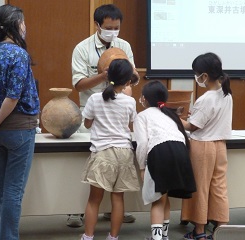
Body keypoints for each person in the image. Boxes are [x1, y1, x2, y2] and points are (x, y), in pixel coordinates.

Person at [70, 3, 138, 227]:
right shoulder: (82, 48)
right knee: (86, 164)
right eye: (108, 27)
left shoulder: (124, 46)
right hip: (90, 111)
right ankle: (74, 211)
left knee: (114, 168)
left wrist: (127, 80)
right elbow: (79, 85)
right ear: (97, 25)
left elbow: (134, 77)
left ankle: (111, 212)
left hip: (117, 111)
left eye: (117, 27)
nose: (113, 31)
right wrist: (105, 76)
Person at [0, 4, 40, 240]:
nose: (25, 27)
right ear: (15, 25)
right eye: (22, 22)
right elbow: (13, 97)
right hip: (20, 130)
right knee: (13, 191)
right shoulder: (19, 55)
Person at [80, 58, 140, 240]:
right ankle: (113, 237)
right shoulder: (130, 102)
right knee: (118, 199)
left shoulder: (94, 99)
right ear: (129, 81)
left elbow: (87, 124)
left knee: (94, 200)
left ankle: (88, 237)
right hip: (124, 152)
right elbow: (132, 125)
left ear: (107, 75)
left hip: (103, 152)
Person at [133, 80, 196, 240]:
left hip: (160, 153)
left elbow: (142, 145)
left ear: (145, 99)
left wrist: (141, 167)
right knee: (164, 196)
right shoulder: (171, 114)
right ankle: (164, 236)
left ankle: (156, 238)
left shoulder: (142, 116)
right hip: (181, 152)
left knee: (157, 200)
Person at [181, 52, 233, 240]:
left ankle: (200, 231)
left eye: (197, 73)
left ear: (204, 76)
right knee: (219, 187)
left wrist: (175, 119)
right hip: (220, 146)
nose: (196, 78)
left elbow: (192, 126)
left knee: (200, 188)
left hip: (202, 146)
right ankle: (222, 229)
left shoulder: (206, 98)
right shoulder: (226, 93)